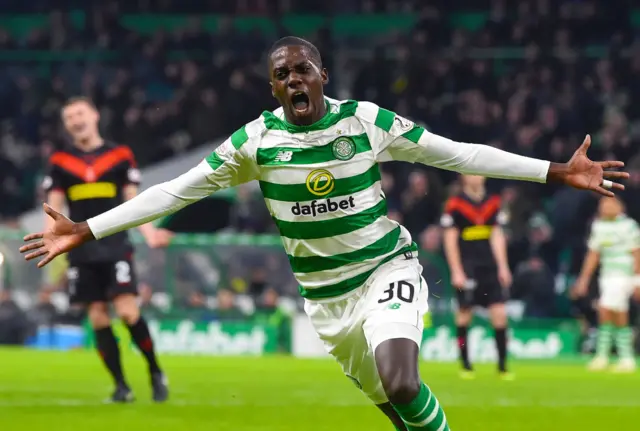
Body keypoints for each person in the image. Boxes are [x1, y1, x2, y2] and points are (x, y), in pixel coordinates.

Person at [21, 37, 627, 431]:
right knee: (399, 408)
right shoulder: (254, 142)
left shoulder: (366, 121)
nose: (293, 81)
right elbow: (174, 190)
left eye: (301, 70)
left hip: (386, 270)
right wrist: (88, 229)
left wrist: (553, 170)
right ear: (274, 87)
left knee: (401, 378)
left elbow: (459, 155)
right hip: (326, 302)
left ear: (320, 73)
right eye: (281, 75)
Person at [41, 97, 173, 403]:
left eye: (80, 113)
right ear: (66, 125)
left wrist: (150, 233)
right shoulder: (61, 161)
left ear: (95, 115)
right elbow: (54, 206)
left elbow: (133, 202)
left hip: (115, 244)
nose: (76, 119)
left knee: (127, 311)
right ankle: (121, 386)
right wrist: (49, 235)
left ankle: (155, 370)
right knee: (98, 317)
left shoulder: (119, 155)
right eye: (69, 116)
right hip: (80, 248)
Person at [441, 174, 512, 379]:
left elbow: (497, 235)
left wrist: (503, 267)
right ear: (463, 177)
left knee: (499, 314)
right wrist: (456, 270)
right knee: (464, 315)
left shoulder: (493, 202)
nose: (476, 176)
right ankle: (465, 363)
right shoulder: (455, 204)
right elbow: (450, 238)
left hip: (489, 267)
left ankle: (502, 365)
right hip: (467, 267)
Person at [573, 196, 640, 373]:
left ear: (620, 206)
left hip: (624, 274)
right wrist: (584, 279)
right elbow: (593, 254)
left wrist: (637, 279)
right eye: (603, 204)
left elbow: (636, 252)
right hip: (607, 275)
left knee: (608, 309)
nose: (606, 207)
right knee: (609, 313)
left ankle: (616, 357)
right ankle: (615, 357)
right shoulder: (598, 226)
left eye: (610, 203)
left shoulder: (628, 226)